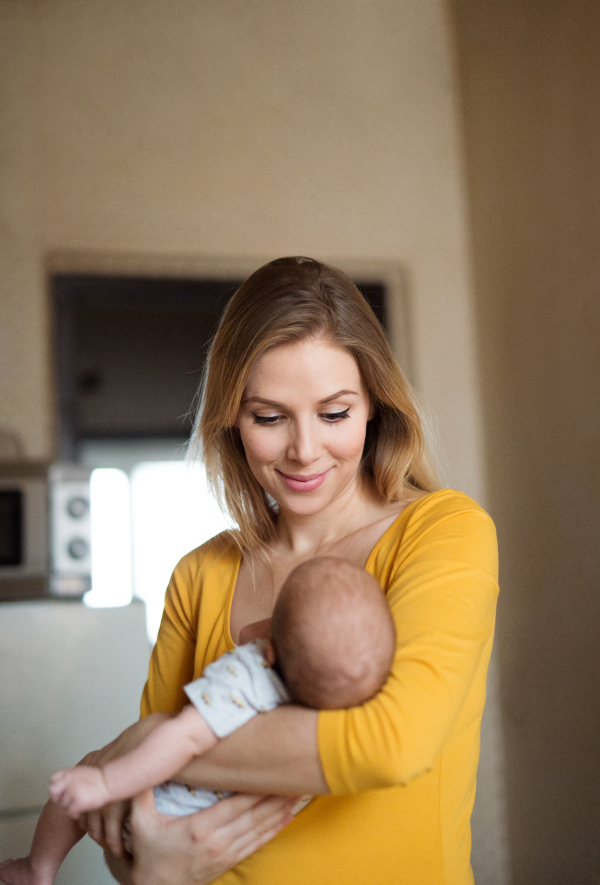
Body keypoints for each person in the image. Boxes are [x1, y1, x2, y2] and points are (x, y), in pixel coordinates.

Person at [24, 256, 498, 885]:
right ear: (231, 419)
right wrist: (150, 868)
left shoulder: (441, 532)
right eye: (269, 417)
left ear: (376, 408)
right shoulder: (200, 574)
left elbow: (389, 744)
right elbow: (131, 824)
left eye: (334, 414)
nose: (305, 450)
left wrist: (154, 743)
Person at [0, 558, 394, 885]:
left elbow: (181, 738)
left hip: (160, 818)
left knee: (88, 767)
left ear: (270, 648)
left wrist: (106, 782)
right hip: (226, 847)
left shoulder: (248, 677)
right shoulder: (345, 705)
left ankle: (38, 869)